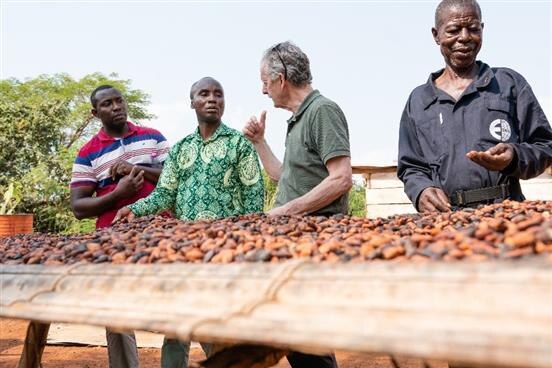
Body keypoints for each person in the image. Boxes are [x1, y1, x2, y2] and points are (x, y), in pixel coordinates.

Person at [113, 77, 264, 368]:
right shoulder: (181, 149)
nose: (212, 99)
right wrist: (134, 209)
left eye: (218, 94)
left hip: (225, 252)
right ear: (192, 102)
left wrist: (244, 249)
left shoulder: (239, 145)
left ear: (224, 102)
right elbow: (164, 195)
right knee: (175, 328)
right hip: (186, 251)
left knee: (218, 325)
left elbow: (254, 204)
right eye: (204, 94)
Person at [243, 41, 351, 368]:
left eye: (264, 81)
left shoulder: (322, 111)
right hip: (293, 241)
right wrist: (260, 142)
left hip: (315, 242)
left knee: (304, 337)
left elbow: (341, 178)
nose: (263, 90)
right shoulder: (297, 119)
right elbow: (284, 176)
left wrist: (282, 212)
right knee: (296, 336)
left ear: (282, 78)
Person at [398, 0, 552, 212]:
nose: (464, 37)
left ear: (482, 29)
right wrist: (421, 190)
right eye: (453, 30)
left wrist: (514, 156)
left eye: (473, 29)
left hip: (506, 214)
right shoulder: (419, 100)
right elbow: (411, 167)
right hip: (445, 220)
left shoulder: (508, 83)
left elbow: (545, 146)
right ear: (436, 35)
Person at [69, 85, 170, 367]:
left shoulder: (153, 138)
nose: (116, 107)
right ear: (95, 113)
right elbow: (78, 207)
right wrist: (116, 194)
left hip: (162, 234)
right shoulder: (88, 153)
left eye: (119, 100)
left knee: (178, 301)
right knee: (116, 310)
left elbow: (177, 178)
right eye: (107, 104)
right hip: (112, 241)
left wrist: (135, 169)